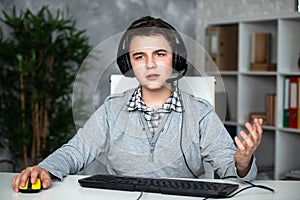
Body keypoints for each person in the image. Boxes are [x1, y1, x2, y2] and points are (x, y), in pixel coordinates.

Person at [12, 16, 263, 192]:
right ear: (129, 64)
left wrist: (242, 161)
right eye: (140, 56)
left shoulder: (200, 112)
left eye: (160, 54)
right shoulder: (112, 109)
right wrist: (44, 169)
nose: (150, 64)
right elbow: (76, 151)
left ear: (175, 59)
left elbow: (231, 169)